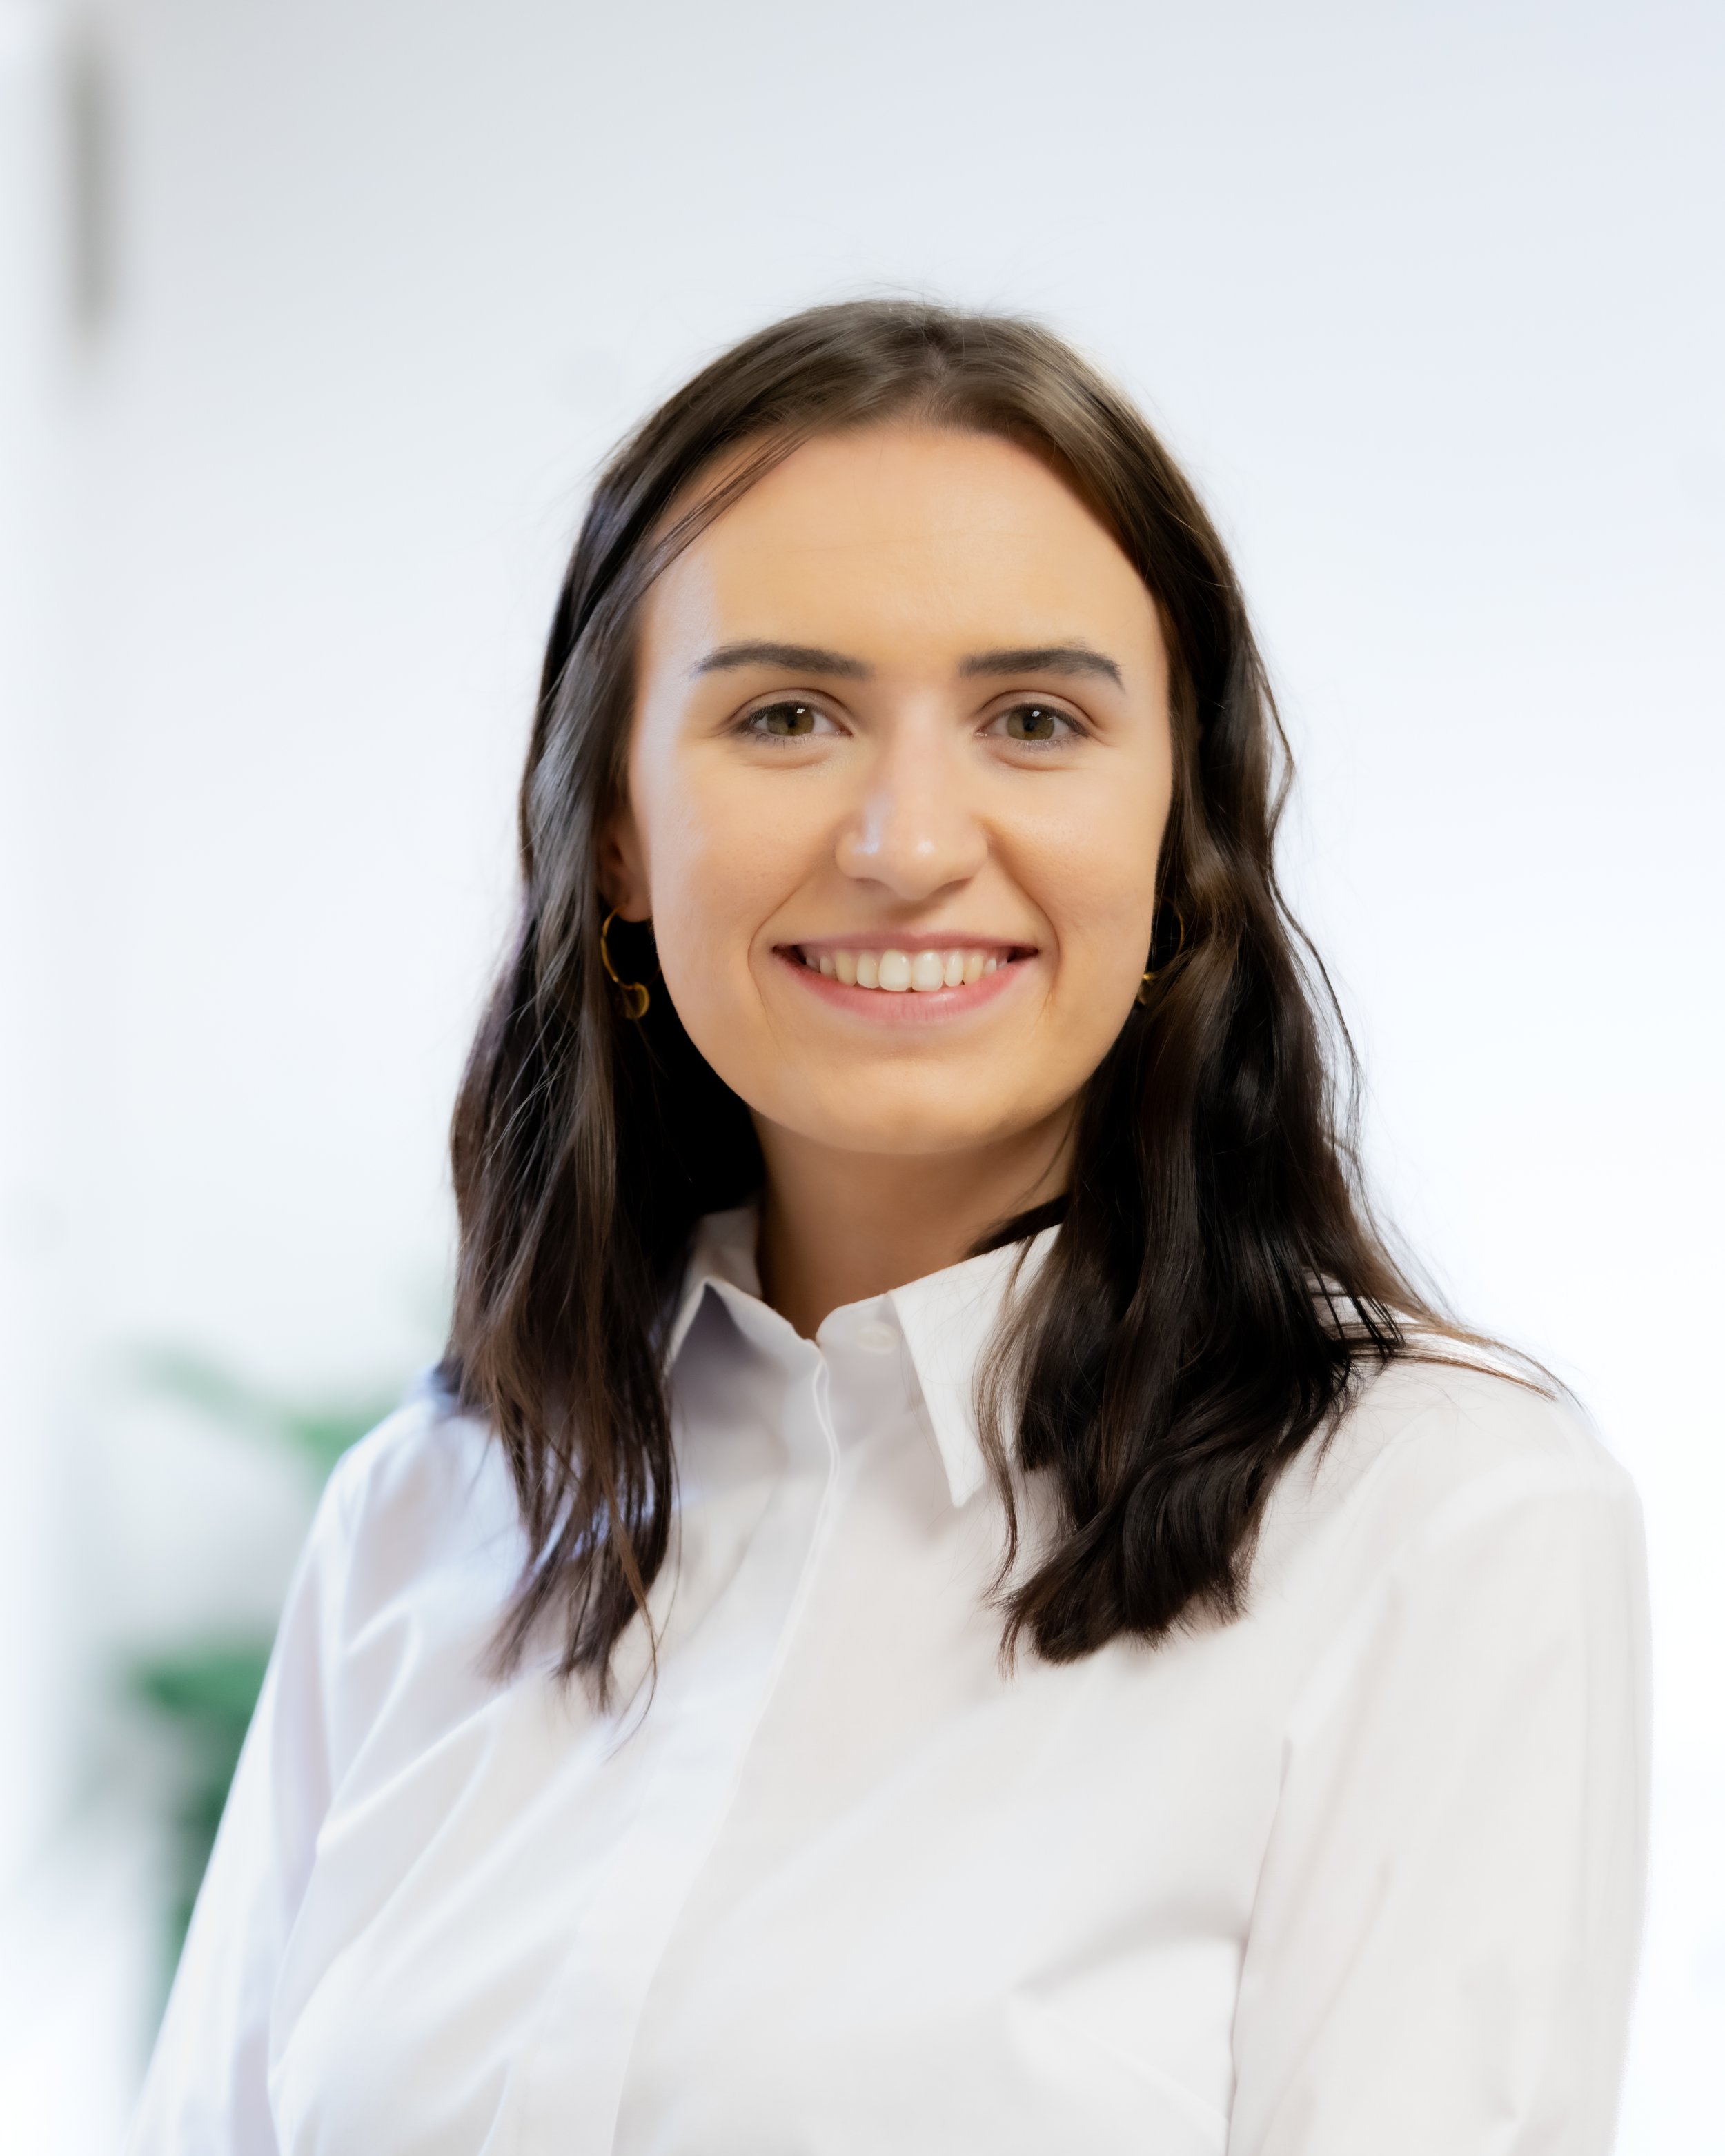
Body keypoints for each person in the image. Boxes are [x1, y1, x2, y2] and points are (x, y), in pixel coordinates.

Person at [127, 301, 1648, 2156]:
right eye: (785, 714)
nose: (907, 839)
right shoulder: (426, 1515)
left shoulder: (1434, 1523)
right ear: (615, 829)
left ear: (1180, 833)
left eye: (1033, 719)